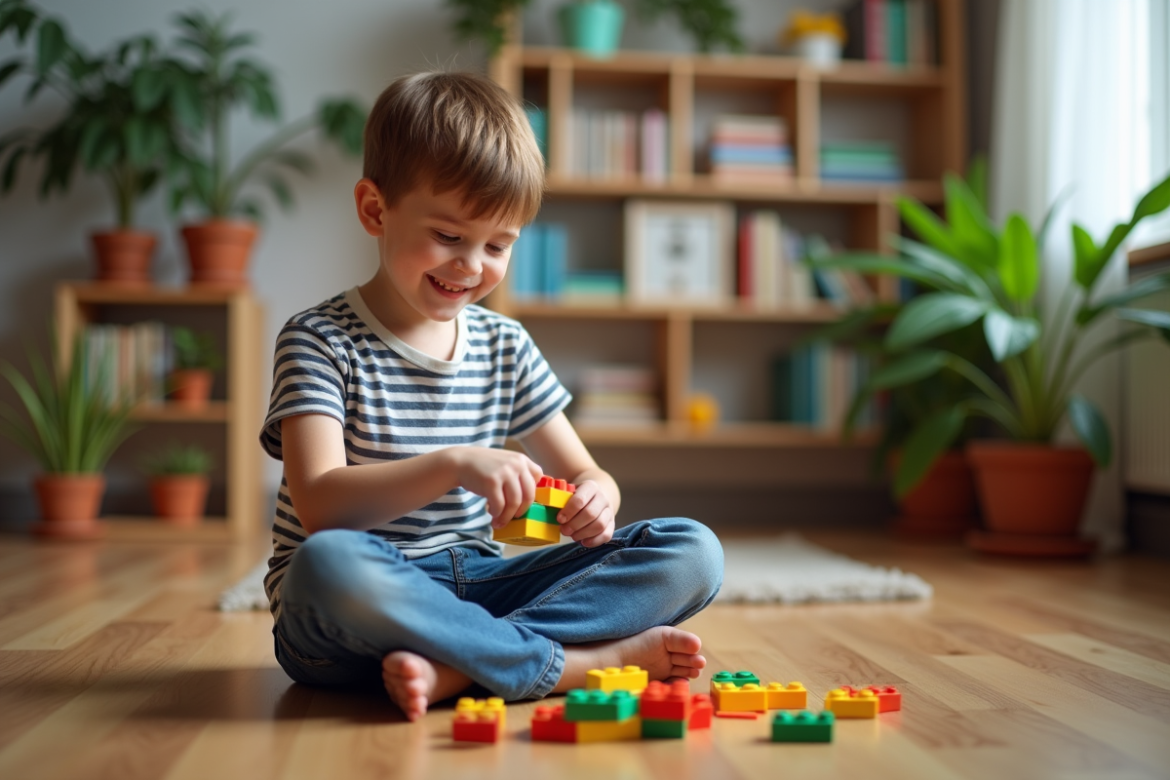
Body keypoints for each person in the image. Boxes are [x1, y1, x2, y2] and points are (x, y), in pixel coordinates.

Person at [260, 70, 724, 721]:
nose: (472, 265)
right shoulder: (317, 339)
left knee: (693, 551)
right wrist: (455, 464)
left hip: (480, 588)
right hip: (357, 610)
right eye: (449, 237)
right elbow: (322, 507)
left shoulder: (505, 343)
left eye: (498, 245)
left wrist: (596, 498)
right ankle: (567, 666)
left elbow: (588, 473)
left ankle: (462, 665)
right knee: (327, 564)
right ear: (375, 210)